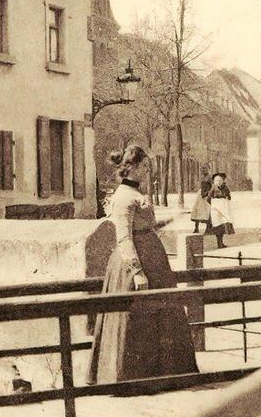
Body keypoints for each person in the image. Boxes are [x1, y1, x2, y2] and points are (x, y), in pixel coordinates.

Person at [88, 145, 198, 385]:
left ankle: (164, 375)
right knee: (136, 319)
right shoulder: (123, 197)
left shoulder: (135, 194)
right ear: (131, 168)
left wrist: (170, 219)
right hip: (134, 266)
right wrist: (137, 272)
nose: (149, 171)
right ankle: (131, 378)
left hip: (155, 263)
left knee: (162, 316)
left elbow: (145, 227)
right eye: (145, 167)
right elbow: (124, 237)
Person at [204, 172, 233, 249]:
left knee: (223, 225)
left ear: (223, 181)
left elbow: (229, 197)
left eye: (220, 180)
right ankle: (219, 243)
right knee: (217, 225)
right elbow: (208, 198)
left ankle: (221, 243)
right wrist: (214, 204)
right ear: (214, 181)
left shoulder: (226, 188)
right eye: (216, 180)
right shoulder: (213, 188)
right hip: (216, 210)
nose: (218, 182)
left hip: (224, 209)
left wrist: (227, 198)